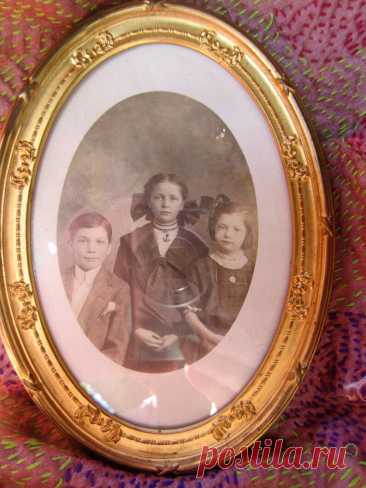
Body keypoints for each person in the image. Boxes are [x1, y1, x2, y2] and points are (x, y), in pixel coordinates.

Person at [113, 173, 208, 373]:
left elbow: (203, 297)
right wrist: (136, 329)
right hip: (136, 334)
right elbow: (119, 292)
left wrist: (179, 333)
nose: (165, 203)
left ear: (182, 204)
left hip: (185, 336)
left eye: (173, 198)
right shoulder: (131, 242)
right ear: (148, 201)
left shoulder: (197, 247)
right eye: (159, 197)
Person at [184, 197, 255, 356]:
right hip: (207, 341)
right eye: (222, 227)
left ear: (246, 233)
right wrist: (209, 337)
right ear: (213, 228)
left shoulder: (253, 270)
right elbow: (189, 312)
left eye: (236, 229)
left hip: (245, 343)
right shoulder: (200, 267)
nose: (228, 234)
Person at [61, 212, 131, 366]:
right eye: (83, 241)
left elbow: (117, 349)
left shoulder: (119, 289)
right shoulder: (58, 280)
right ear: (70, 244)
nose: (91, 249)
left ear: (108, 248)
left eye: (99, 242)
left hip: (92, 373)